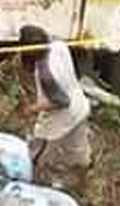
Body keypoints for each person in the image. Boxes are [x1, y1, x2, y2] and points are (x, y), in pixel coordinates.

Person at [19, 25, 92, 190]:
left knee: (39, 155)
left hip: (63, 115)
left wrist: (33, 109)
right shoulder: (57, 46)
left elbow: (61, 101)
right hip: (80, 106)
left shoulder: (47, 73)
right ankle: (83, 181)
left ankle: (37, 184)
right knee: (78, 151)